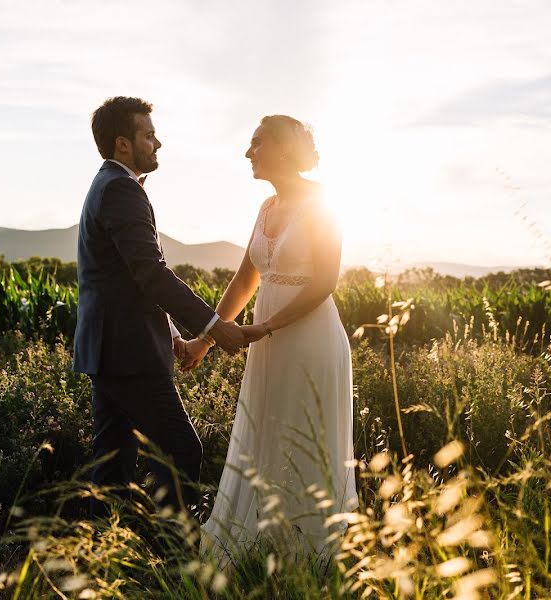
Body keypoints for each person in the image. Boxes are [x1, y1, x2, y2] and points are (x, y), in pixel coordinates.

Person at [187, 115, 358, 565]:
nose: (248, 153)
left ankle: (308, 552)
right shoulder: (267, 207)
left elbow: (325, 281)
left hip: (309, 338)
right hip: (264, 340)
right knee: (266, 432)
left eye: (256, 143)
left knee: (303, 435)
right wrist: (204, 340)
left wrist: (263, 328)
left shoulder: (323, 204)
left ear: (282, 149)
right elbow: (246, 279)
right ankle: (264, 543)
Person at [72, 96, 247, 519]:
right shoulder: (121, 190)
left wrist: (170, 334)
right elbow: (150, 273)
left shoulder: (109, 185)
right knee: (180, 450)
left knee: (112, 464)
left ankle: (100, 558)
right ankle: (177, 557)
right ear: (123, 145)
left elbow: (131, 276)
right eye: (148, 135)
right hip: (128, 352)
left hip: (110, 348)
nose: (158, 143)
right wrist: (214, 325)